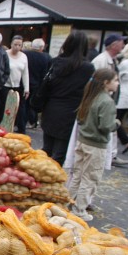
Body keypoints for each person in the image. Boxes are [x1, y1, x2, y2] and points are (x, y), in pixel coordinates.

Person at [31, 30, 95, 165]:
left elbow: (46, 86)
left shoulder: (56, 62)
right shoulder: (87, 68)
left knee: (47, 149)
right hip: (71, 112)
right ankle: (53, 175)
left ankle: (41, 172)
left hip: (51, 108)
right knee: (60, 153)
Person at [68, 68, 120, 221]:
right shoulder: (106, 101)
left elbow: (80, 119)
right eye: (115, 80)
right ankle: (79, 209)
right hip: (96, 145)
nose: (117, 83)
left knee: (77, 175)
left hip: (82, 141)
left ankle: (67, 203)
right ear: (106, 82)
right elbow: (105, 126)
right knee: (90, 178)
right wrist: (116, 124)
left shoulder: (90, 96)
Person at [92, 33, 128, 166]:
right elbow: (93, 81)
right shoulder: (100, 60)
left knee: (110, 127)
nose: (123, 45)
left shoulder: (114, 60)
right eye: (121, 42)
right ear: (113, 45)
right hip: (101, 101)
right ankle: (107, 155)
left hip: (108, 99)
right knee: (105, 126)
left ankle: (111, 155)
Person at [0, 35, 29, 132]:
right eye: (15, 44)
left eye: (19, 45)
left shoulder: (24, 57)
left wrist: (27, 88)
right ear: (11, 44)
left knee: (18, 108)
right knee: (3, 107)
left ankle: (21, 130)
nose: (17, 47)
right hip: (5, 85)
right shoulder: (5, 54)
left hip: (17, 86)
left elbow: (25, 73)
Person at [24, 38, 51, 129]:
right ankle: (33, 121)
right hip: (38, 84)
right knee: (33, 104)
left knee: (24, 104)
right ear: (41, 47)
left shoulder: (25, 54)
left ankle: (22, 122)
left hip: (25, 83)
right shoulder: (46, 57)